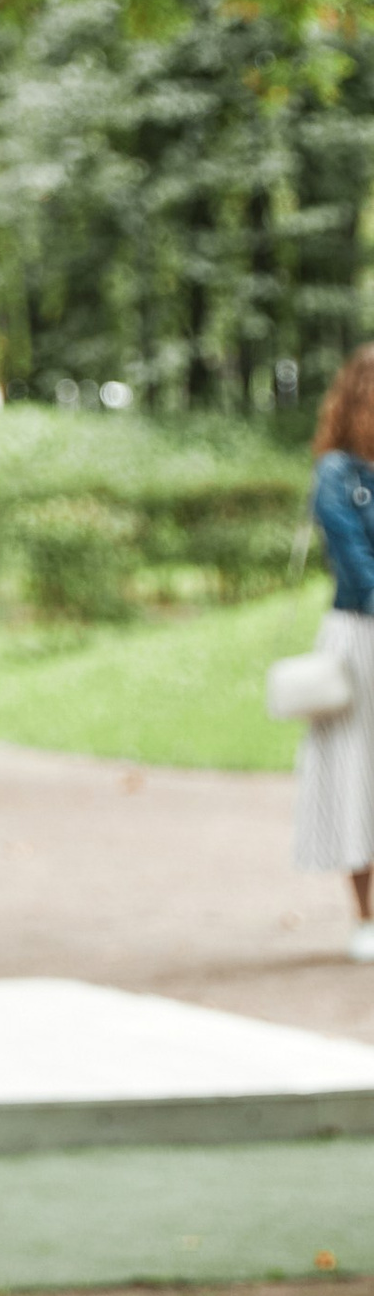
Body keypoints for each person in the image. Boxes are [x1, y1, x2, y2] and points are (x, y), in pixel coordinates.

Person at [295, 346, 374, 958]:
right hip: (359, 639)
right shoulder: (337, 476)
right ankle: (365, 916)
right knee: (358, 774)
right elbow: (357, 568)